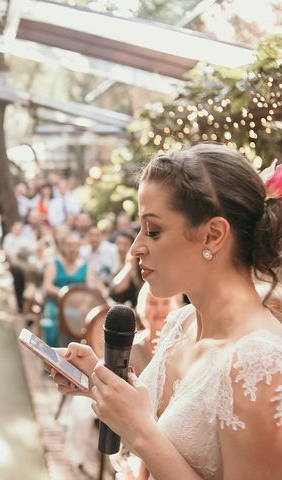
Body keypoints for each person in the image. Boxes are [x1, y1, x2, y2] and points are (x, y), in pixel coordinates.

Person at [52, 144, 282, 479]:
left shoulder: (260, 366)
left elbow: (149, 433)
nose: (135, 247)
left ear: (213, 234)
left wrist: (140, 432)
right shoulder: (182, 323)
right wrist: (99, 381)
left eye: (153, 230)